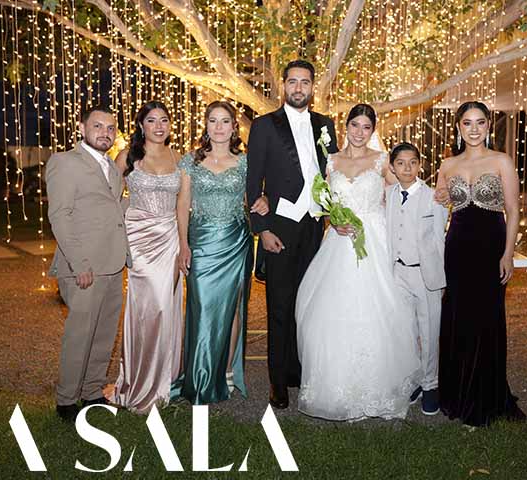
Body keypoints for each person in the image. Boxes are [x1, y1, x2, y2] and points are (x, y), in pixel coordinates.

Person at [295, 104, 421, 421]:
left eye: (366, 127)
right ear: (346, 126)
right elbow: (324, 201)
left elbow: (402, 194)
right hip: (338, 243)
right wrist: (332, 221)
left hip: (374, 242)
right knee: (330, 313)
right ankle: (336, 387)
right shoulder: (332, 161)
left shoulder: (381, 161)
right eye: (355, 125)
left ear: (373, 130)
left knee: (378, 311)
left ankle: (378, 386)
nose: (360, 132)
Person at [246, 59, 339, 410]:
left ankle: (301, 370)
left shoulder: (325, 124)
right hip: (280, 227)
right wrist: (262, 229)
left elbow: (333, 173)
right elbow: (253, 180)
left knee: (310, 303)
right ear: (283, 85)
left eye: (305, 82)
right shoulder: (264, 125)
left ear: (313, 87)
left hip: (315, 226)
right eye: (293, 82)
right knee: (280, 305)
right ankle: (278, 380)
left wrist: (335, 215)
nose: (299, 88)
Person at [436, 101, 526, 426]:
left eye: (480, 122)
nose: (473, 129)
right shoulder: (447, 164)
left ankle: (486, 396)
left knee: (487, 318)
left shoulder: (502, 161)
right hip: (457, 248)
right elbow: (439, 201)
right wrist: (442, 196)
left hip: (491, 248)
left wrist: (508, 254)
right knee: (458, 317)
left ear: (488, 125)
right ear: (458, 127)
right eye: (467, 123)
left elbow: (513, 210)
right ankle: (458, 393)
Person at [174, 101, 269, 404]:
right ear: (205, 125)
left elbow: (256, 196)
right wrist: (183, 244)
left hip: (235, 242)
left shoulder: (245, 162)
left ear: (233, 127)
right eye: (213, 120)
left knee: (233, 308)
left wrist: (265, 199)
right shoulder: (190, 161)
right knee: (202, 307)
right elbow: (182, 204)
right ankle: (200, 373)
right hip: (201, 244)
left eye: (225, 121)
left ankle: (226, 371)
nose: (218, 127)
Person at [46, 105, 130, 421]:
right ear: (82, 128)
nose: (104, 133)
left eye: (110, 128)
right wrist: (79, 264)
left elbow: (113, 210)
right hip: (83, 267)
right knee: (80, 335)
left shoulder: (112, 167)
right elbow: (60, 216)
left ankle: (92, 392)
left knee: (104, 334)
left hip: (112, 264)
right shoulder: (65, 162)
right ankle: (67, 399)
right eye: (97, 126)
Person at [107, 101, 187, 414]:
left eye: (164, 120)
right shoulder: (127, 156)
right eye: (151, 120)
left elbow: (183, 205)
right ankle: (139, 380)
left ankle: (165, 379)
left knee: (166, 307)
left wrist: (184, 243)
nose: (158, 126)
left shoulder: (178, 157)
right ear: (141, 125)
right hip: (139, 239)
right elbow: (108, 197)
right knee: (146, 309)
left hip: (169, 239)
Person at [385, 142, 448, 416]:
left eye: (412, 162)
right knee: (406, 331)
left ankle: (431, 384)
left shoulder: (434, 197)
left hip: (425, 273)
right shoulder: (388, 195)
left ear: (420, 165)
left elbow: (440, 239)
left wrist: (442, 277)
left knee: (430, 331)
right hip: (397, 272)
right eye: (400, 163)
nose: (407, 168)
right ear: (392, 167)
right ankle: (414, 380)